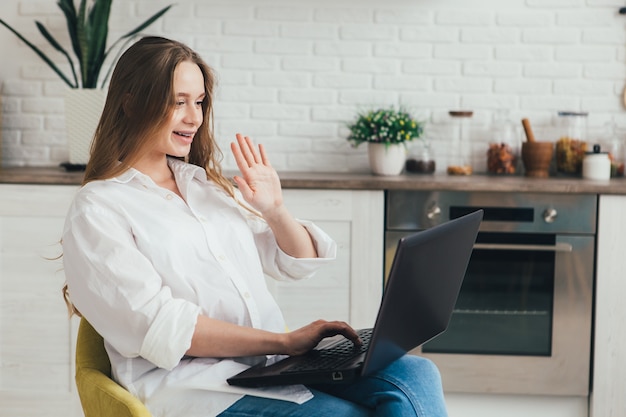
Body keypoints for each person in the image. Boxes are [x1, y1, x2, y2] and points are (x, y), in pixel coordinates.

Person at [61, 36, 449, 417]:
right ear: (131, 104)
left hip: (269, 366)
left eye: (198, 102)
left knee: (416, 373)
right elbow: (162, 328)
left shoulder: (205, 187)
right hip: (196, 388)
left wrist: (275, 210)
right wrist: (286, 341)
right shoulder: (99, 207)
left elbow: (295, 261)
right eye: (178, 102)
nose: (194, 117)